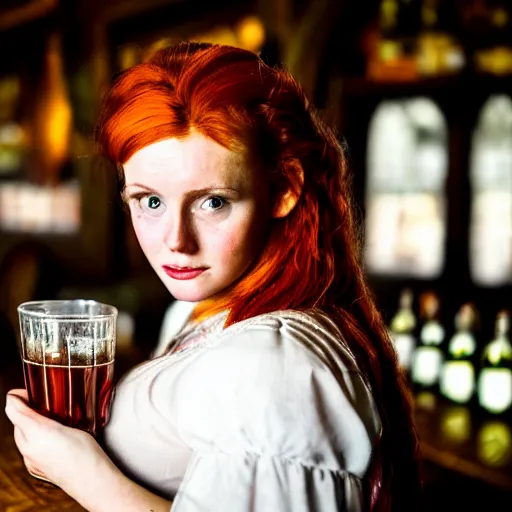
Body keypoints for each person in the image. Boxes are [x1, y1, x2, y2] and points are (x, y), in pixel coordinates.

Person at [5, 42, 421, 511]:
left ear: (283, 190)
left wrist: (79, 471)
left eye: (213, 202)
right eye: (150, 200)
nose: (176, 240)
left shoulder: (277, 363)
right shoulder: (205, 308)